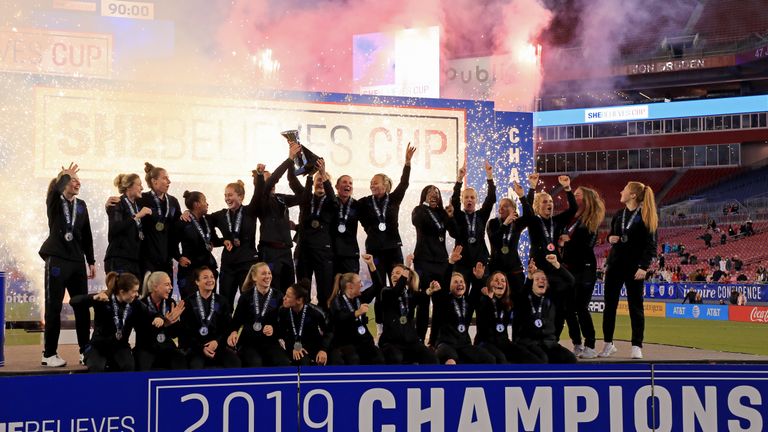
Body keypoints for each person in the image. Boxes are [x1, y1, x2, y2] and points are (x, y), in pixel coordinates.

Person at [39, 162, 96, 367]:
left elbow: (87, 234)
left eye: (78, 180)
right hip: (57, 259)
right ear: (63, 183)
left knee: (82, 306)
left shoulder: (81, 205)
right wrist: (64, 174)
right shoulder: (55, 200)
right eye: (72, 180)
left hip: (76, 261)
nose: (77, 182)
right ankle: (49, 354)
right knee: (53, 306)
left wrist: (90, 260)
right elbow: (55, 188)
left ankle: (85, 351)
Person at [600, 181, 658, 360]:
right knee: (609, 306)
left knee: (636, 307)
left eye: (624, 189)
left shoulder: (646, 214)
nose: (620, 191)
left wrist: (644, 267)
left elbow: (651, 245)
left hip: (635, 269)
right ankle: (608, 343)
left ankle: (636, 345)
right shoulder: (619, 214)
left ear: (633, 195)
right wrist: (611, 238)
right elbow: (610, 234)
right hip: (615, 265)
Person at [518, 173, 577, 338]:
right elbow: (528, 211)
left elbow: (573, 209)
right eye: (545, 201)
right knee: (533, 305)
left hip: (555, 270)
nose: (549, 204)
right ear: (537, 205)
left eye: (550, 201)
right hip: (537, 269)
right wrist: (531, 188)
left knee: (558, 307)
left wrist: (567, 189)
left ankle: (554, 338)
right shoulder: (534, 221)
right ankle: (530, 337)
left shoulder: (557, 221)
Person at [561, 186, 605, 359]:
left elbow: (587, 246)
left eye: (577, 194)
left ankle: (591, 345)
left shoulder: (591, 219)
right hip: (571, 268)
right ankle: (577, 343)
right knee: (568, 308)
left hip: (585, 269)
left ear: (586, 198)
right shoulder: (576, 219)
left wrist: (567, 242)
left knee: (580, 307)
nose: (574, 197)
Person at [254, 144, 305, 291]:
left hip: (285, 251)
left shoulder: (280, 198)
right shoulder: (260, 198)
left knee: (289, 290)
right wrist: (289, 159)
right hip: (269, 251)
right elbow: (273, 179)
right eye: (268, 180)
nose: (273, 183)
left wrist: (296, 170)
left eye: (272, 181)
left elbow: (302, 197)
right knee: (273, 290)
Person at [411, 184, 457, 344]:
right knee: (424, 301)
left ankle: (434, 340)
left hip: (441, 262)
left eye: (436, 192)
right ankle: (419, 338)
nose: (433, 194)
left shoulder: (442, 213)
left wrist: (450, 216)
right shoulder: (419, 210)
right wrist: (425, 204)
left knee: (441, 302)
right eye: (430, 192)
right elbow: (417, 222)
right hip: (423, 261)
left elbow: (454, 232)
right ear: (424, 195)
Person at [71, 272, 140, 372]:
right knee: (96, 368)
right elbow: (73, 301)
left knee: (128, 366)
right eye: (134, 291)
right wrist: (93, 298)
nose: (137, 294)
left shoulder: (135, 303)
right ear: (122, 291)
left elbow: (149, 312)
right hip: (99, 346)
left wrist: (158, 317)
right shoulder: (103, 298)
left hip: (120, 346)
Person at [515, 256, 577, 364]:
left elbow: (571, 281)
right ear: (531, 283)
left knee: (570, 359)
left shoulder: (552, 297)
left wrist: (556, 264)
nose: (541, 281)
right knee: (542, 360)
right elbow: (522, 296)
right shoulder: (525, 298)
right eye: (537, 279)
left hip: (549, 343)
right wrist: (529, 278)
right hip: (529, 344)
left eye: (543, 279)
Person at [227, 262, 290, 367]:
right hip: (249, 342)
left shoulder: (278, 296)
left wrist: (274, 329)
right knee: (255, 363)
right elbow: (236, 321)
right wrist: (233, 332)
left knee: (283, 362)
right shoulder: (245, 296)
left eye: (269, 273)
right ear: (254, 277)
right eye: (264, 273)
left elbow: (284, 323)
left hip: (270, 342)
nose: (268, 276)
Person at [209, 180, 260, 308]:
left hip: (247, 264)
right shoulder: (220, 215)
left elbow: (259, 193)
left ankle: (247, 328)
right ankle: (226, 328)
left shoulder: (250, 211)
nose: (227, 198)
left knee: (249, 302)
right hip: (228, 265)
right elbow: (202, 220)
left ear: (241, 196)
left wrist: (259, 176)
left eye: (230, 195)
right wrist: (220, 241)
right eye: (225, 195)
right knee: (225, 301)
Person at [327, 254, 385, 365]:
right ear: (350, 286)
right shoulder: (336, 301)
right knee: (353, 359)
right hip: (346, 342)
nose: (362, 284)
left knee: (379, 357)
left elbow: (378, 286)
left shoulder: (360, 298)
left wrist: (371, 265)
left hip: (363, 341)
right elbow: (339, 317)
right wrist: (357, 313)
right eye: (359, 282)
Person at [429, 269, 495, 365]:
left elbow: (476, 289)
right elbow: (444, 284)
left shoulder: (468, 301)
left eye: (461, 282)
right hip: (445, 344)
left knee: (489, 359)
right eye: (455, 282)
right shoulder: (443, 300)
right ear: (449, 285)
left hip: (464, 344)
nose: (459, 284)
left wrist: (479, 278)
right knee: (451, 360)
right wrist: (451, 263)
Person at [295, 159, 337, 310]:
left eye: (323, 180)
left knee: (325, 292)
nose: (320, 182)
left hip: (323, 252)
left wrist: (323, 174)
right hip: (304, 250)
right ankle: (303, 324)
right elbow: (293, 182)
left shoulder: (331, 201)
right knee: (302, 291)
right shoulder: (306, 198)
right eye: (318, 180)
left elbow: (334, 202)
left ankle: (324, 326)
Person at [179, 267, 241, 369]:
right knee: (195, 366)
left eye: (212, 277)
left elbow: (227, 327)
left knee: (235, 363)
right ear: (197, 282)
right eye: (205, 277)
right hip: (197, 349)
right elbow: (186, 332)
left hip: (218, 346)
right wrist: (201, 348)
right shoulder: (188, 302)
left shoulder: (222, 301)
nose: (210, 280)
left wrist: (217, 342)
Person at [474, 271, 541, 363]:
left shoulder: (508, 302)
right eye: (496, 280)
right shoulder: (482, 300)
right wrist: (479, 282)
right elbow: (483, 322)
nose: (500, 283)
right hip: (485, 343)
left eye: (503, 281)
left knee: (530, 357)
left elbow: (524, 296)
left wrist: (529, 278)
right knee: (501, 359)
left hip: (504, 343)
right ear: (489, 284)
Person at [378, 264, 438, 365]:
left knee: (431, 358)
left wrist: (430, 290)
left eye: (398, 273)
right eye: (392, 273)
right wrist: (404, 275)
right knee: (396, 357)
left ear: (408, 277)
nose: (393, 275)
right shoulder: (386, 292)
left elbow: (420, 296)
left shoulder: (410, 295)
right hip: (391, 343)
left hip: (410, 342)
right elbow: (396, 292)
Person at [450, 162, 496, 284]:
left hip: (480, 261)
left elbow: (491, 199)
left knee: (480, 295)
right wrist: (459, 179)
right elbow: (454, 200)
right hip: (461, 261)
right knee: (460, 293)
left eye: (472, 197)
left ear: (476, 200)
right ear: (462, 200)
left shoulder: (481, 215)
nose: (469, 199)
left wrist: (490, 176)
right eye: (466, 197)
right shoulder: (459, 215)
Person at [137, 162, 182, 282]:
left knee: (166, 290)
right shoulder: (141, 199)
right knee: (147, 292)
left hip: (166, 257)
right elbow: (129, 212)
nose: (169, 181)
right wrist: (108, 205)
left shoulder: (173, 201)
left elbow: (178, 229)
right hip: (147, 257)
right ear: (154, 181)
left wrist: (187, 214)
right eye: (165, 178)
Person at [133, 271, 187, 370]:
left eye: (171, 284)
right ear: (155, 287)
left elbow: (174, 334)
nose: (171, 287)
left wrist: (175, 323)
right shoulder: (140, 304)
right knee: (144, 366)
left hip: (166, 346)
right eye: (167, 284)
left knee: (180, 360)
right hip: (146, 347)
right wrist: (165, 324)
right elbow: (141, 331)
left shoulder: (170, 303)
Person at [105, 173, 150, 280]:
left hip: (134, 259)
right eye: (139, 185)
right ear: (129, 186)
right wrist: (137, 216)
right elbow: (114, 229)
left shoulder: (137, 204)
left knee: (134, 295)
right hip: (119, 258)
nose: (142, 188)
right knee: (120, 294)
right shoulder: (117, 203)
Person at [177, 191, 221, 299]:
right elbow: (171, 243)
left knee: (209, 302)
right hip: (190, 269)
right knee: (191, 304)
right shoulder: (183, 221)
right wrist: (178, 258)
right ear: (197, 204)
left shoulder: (208, 220)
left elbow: (213, 240)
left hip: (207, 267)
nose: (207, 204)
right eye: (204, 201)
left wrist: (224, 241)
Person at [487, 182, 528, 295]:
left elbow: (530, 216)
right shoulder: (493, 223)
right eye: (500, 206)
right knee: (497, 302)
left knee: (518, 302)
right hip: (496, 269)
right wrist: (505, 224)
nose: (501, 208)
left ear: (513, 209)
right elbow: (494, 240)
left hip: (514, 269)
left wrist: (522, 197)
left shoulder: (517, 223)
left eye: (505, 206)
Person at [276, 281, 331, 366]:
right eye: (285, 295)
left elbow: (328, 332)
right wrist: (292, 348)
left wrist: (323, 350)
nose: (284, 298)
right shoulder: (283, 311)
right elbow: (282, 335)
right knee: (301, 360)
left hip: (313, 348)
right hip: (293, 349)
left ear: (299, 300)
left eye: (288, 296)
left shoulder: (316, 312)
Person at [332, 174, 360, 275]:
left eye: (350, 183)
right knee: (332, 287)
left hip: (350, 253)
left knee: (351, 285)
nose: (348, 185)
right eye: (344, 182)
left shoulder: (357, 205)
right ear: (336, 186)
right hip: (332, 252)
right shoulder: (330, 203)